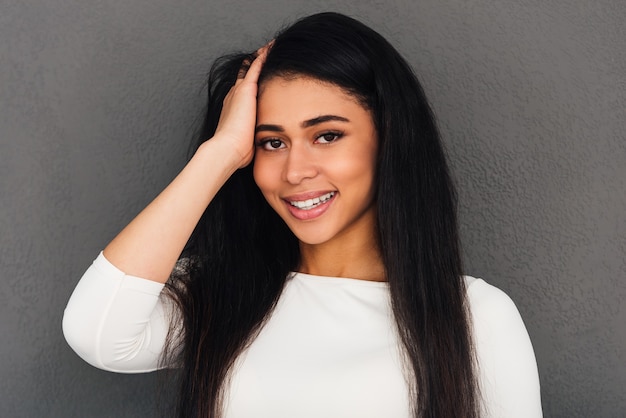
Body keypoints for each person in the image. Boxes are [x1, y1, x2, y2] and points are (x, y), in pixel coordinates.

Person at [63, 12, 542, 418]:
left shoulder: (475, 317)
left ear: (389, 137)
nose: (295, 171)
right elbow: (97, 335)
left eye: (327, 135)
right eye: (272, 142)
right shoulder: (222, 293)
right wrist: (221, 153)